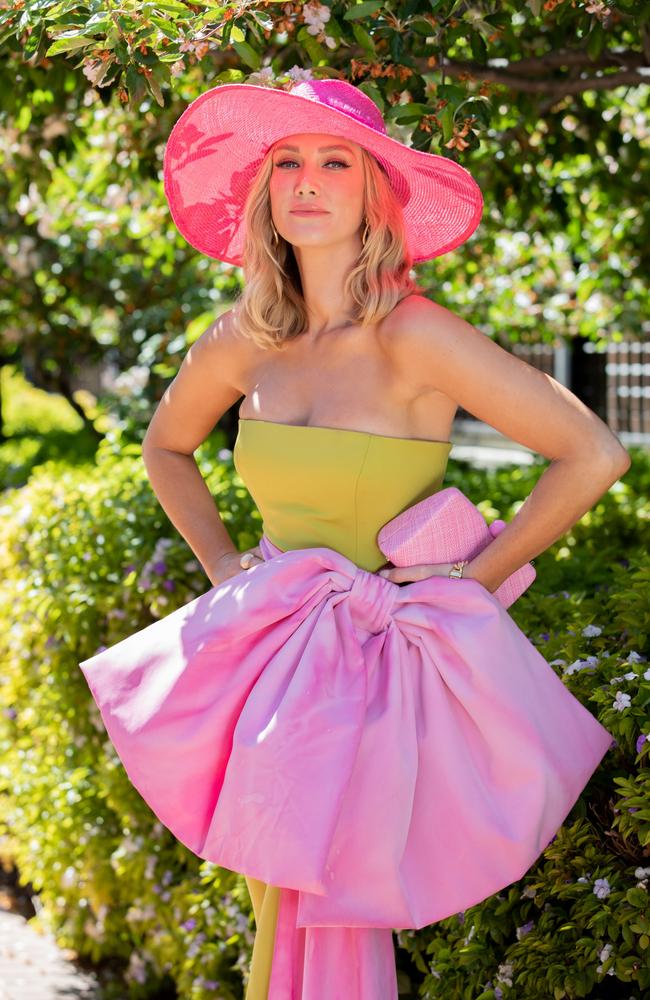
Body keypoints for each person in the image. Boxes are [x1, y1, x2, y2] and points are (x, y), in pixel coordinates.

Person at [80, 79, 630, 999]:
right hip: (272, 661)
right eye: (287, 161)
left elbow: (593, 453)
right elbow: (166, 448)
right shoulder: (242, 340)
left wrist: (468, 581)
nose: (307, 181)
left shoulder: (417, 335)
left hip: (376, 670)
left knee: (323, 897)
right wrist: (222, 568)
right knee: (276, 900)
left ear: (375, 192)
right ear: (264, 194)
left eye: (335, 161)